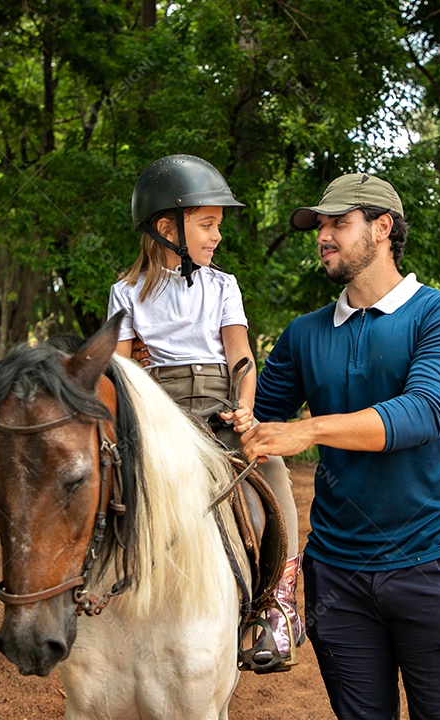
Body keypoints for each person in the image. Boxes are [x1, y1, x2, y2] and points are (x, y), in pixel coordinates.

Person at [241, 172, 440, 718]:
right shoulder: (305, 333)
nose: (323, 236)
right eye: (320, 225)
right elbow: (254, 422)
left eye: (338, 224)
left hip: (430, 567)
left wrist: (310, 428)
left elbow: (422, 413)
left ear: (381, 228)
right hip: (336, 578)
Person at [107, 154, 304, 671]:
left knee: (273, 467)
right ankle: (98, 584)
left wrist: (244, 409)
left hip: (219, 404)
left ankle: (279, 602)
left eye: (218, 225)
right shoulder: (125, 294)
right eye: (207, 224)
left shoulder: (223, 285)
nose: (217, 236)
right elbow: (121, 370)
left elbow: (240, 356)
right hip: (160, 408)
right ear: (166, 227)